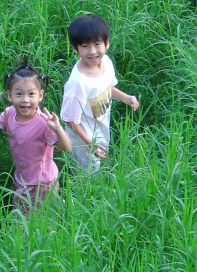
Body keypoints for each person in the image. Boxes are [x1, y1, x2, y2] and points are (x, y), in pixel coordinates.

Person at [0, 59, 72, 211]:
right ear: (10, 95)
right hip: (21, 180)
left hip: (43, 184)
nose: (25, 100)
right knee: (22, 218)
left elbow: (67, 149)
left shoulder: (43, 122)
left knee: (37, 221)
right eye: (19, 94)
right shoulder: (9, 114)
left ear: (40, 96)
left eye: (31, 94)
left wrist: (58, 128)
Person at [60, 14, 139, 173]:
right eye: (85, 46)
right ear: (75, 48)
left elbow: (106, 87)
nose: (92, 51)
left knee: (98, 169)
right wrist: (90, 143)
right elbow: (70, 120)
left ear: (107, 43)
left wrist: (125, 97)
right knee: (87, 176)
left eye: (97, 44)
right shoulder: (78, 83)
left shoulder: (106, 63)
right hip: (82, 142)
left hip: (100, 131)